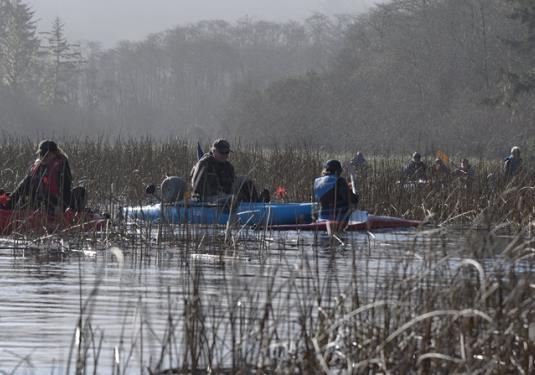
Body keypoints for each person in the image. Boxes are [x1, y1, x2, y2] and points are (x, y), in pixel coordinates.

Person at [9, 140, 72, 213]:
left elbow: (66, 190)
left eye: (46, 154)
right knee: (29, 180)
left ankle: (10, 203)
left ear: (54, 154)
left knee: (30, 181)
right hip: (39, 200)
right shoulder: (40, 166)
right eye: (41, 154)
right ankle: (9, 201)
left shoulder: (61, 167)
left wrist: (62, 208)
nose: (43, 156)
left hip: (53, 203)